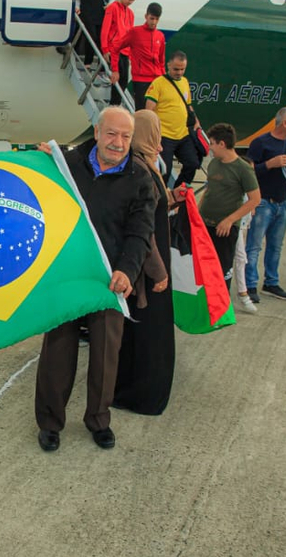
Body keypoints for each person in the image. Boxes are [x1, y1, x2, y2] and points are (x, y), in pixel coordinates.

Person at [35, 107, 156, 452]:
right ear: (98, 131)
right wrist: (43, 161)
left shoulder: (139, 177)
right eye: (112, 134)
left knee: (107, 354)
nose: (118, 143)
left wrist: (127, 270)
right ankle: (49, 422)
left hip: (110, 278)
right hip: (69, 274)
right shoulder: (67, 164)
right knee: (57, 351)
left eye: (126, 136)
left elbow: (140, 231)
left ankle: (98, 420)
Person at [113, 110, 175, 415]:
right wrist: (158, 272)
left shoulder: (143, 164)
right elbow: (143, 230)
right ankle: (139, 395)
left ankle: (129, 390)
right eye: (157, 133)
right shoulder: (140, 169)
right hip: (147, 269)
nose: (160, 141)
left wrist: (172, 197)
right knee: (148, 333)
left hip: (145, 265)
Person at [198, 123, 261, 301]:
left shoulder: (243, 169)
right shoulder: (213, 164)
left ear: (222, 144)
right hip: (206, 225)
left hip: (225, 229)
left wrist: (229, 220)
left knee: (223, 269)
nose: (210, 148)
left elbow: (255, 199)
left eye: (212, 143)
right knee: (204, 268)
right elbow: (208, 190)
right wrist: (197, 215)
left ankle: (221, 304)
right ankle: (206, 302)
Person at [244, 107, 286, 304]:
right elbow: (248, 172)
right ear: (284, 123)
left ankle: (271, 282)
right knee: (254, 246)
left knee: (275, 247)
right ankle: (249, 284)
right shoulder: (260, 143)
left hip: (282, 203)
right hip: (263, 202)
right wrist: (270, 164)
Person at [145, 51, 201, 187]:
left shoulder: (185, 82)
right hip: (164, 136)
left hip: (182, 134)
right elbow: (148, 111)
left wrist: (197, 122)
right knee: (165, 171)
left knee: (193, 164)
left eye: (182, 69)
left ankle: (177, 194)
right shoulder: (158, 83)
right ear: (168, 65)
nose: (179, 72)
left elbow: (187, 105)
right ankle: (160, 198)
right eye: (176, 69)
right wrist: (152, 136)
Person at [111, 2, 166, 109]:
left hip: (157, 80)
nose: (154, 22)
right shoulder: (135, 32)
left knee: (157, 113)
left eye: (156, 19)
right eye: (152, 18)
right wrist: (115, 70)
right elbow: (115, 48)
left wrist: (164, 78)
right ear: (146, 16)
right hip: (140, 80)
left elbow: (161, 60)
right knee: (141, 113)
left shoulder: (160, 36)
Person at [101, 0, 140, 105]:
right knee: (116, 79)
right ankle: (113, 106)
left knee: (124, 81)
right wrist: (105, 49)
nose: (130, 2)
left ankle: (116, 105)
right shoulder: (112, 8)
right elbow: (105, 30)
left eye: (133, 0)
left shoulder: (131, 14)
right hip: (114, 49)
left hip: (125, 52)